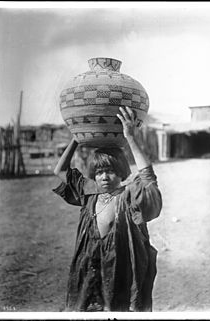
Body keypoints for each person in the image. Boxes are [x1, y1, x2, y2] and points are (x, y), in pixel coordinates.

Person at [53, 106, 162, 312]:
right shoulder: (89, 194)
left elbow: (148, 180)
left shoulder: (128, 197)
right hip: (89, 272)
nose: (104, 177)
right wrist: (76, 138)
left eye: (111, 171)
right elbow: (60, 170)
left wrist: (130, 138)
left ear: (121, 173)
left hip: (120, 271)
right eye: (100, 172)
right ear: (93, 175)